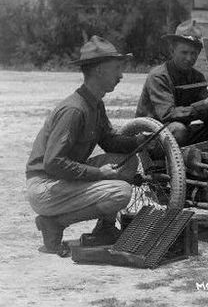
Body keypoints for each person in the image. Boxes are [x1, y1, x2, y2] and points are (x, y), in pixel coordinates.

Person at [26, 36, 147, 256]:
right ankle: (55, 223)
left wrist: (143, 141)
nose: (121, 75)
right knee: (121, 192)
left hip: (61, 180)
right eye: (117, 68)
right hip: (45, 186)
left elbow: (110, 142)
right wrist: (99, 173)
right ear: (99, 70)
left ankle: (105, 228)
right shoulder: (75, 110)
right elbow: (53, 163)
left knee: (126, 163)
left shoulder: (95, 104)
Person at [136, 20, 208, 145]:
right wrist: (204, 105)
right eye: (184, 52)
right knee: (178, 130)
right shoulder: (159, 76)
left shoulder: (197, 77)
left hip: (176, 133)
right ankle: (167, 164)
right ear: (172, 50)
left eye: (193, 53)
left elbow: (206, 108)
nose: (189, 58)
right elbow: (168, 114)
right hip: (150, 137)